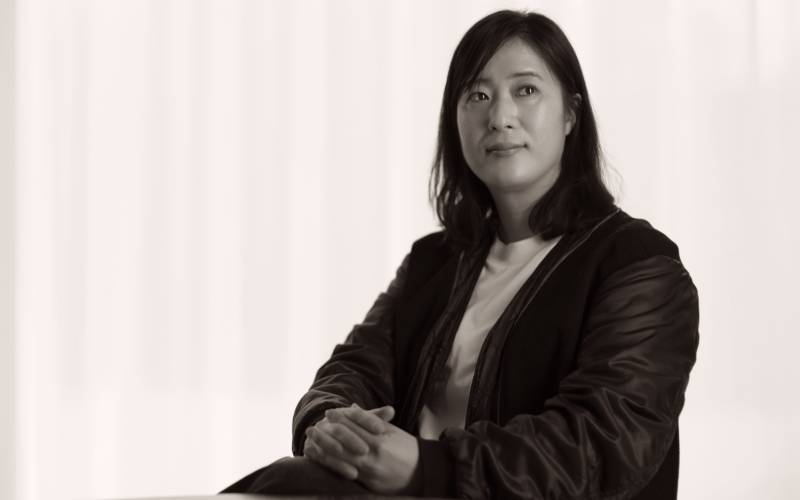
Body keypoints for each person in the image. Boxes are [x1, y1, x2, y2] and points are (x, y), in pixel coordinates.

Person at [220, 9, 699, 500]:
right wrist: (329, 423)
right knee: (294, 481)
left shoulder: (637, 265)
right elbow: (355, 367)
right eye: (478, 95)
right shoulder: (435, 260)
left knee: (289, 484)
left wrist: (424, 467)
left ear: (571, 114)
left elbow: (603, 444)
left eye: (526, 90)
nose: (500, 117)